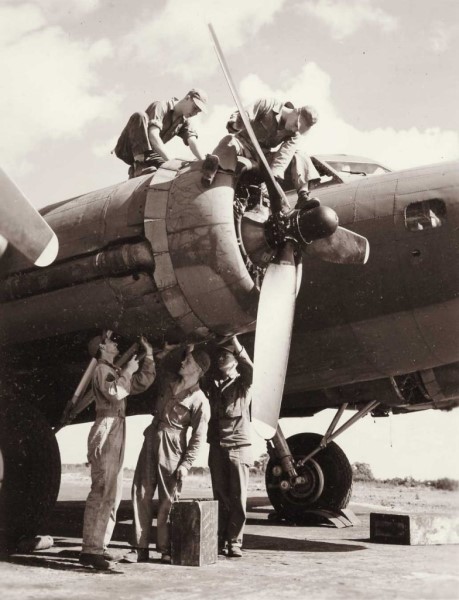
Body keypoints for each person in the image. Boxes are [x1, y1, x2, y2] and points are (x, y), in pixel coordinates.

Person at [123, 343, 211, 564]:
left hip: (173, 446)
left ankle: (165, 549)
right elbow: (160, 367)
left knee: (168, 500)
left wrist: (185, 465)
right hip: (152, 436)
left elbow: (198, 438)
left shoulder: (200, 401)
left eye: (188, 361)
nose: (183, 362)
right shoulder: (169, 382)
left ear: (198, 370)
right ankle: (138, 548)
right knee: (140, 491)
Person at [79, 334, 155, 570]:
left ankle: (98, 546)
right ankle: (91, 550)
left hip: (116, 427)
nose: (116, 344)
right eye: (111, 342)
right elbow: (115, 392)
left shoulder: (112, 370)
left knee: (112, 492)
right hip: (107, 428)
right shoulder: (102, 369)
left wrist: (149, 357)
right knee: (103, 489)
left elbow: (141, 382)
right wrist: (129, 370)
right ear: (102, 347)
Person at [202, 98, 319, 207]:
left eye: (298, 129)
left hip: (263, 157)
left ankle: (303, 196)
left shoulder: (294, 134)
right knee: (229, 141)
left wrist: (273, 179)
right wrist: (236, 124)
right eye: (296, 125)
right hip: (242, 145)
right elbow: (243, 114)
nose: (294, 130)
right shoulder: (267, 104)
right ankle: (210, 170)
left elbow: (284, 155)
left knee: (299, 155)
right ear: (296, 111)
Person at [205, 336, 253, 558]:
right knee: (220, 496)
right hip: (217, 446)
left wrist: (235, 341)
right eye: (219, 355)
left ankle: (235, 541)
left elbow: (249, 368)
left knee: (238, 496)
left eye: (225, 354)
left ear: (234, 360)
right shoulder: (213, 385)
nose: (220, 358)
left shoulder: (244, 383)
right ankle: (220, 540)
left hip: (238, 446)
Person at [114, 89, 208, 179]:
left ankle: (136, 169)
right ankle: (139, 164)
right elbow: (153, 136)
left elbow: (192, 141)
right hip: (126, 148)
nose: (195, 113)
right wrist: (171, 162)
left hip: (150, 155)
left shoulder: (184, 121)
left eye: (198, 112)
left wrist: (204, 161)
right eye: (195, 108)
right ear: (188, 98)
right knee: (139, 115)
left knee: (166, 169)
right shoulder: (161, 106)